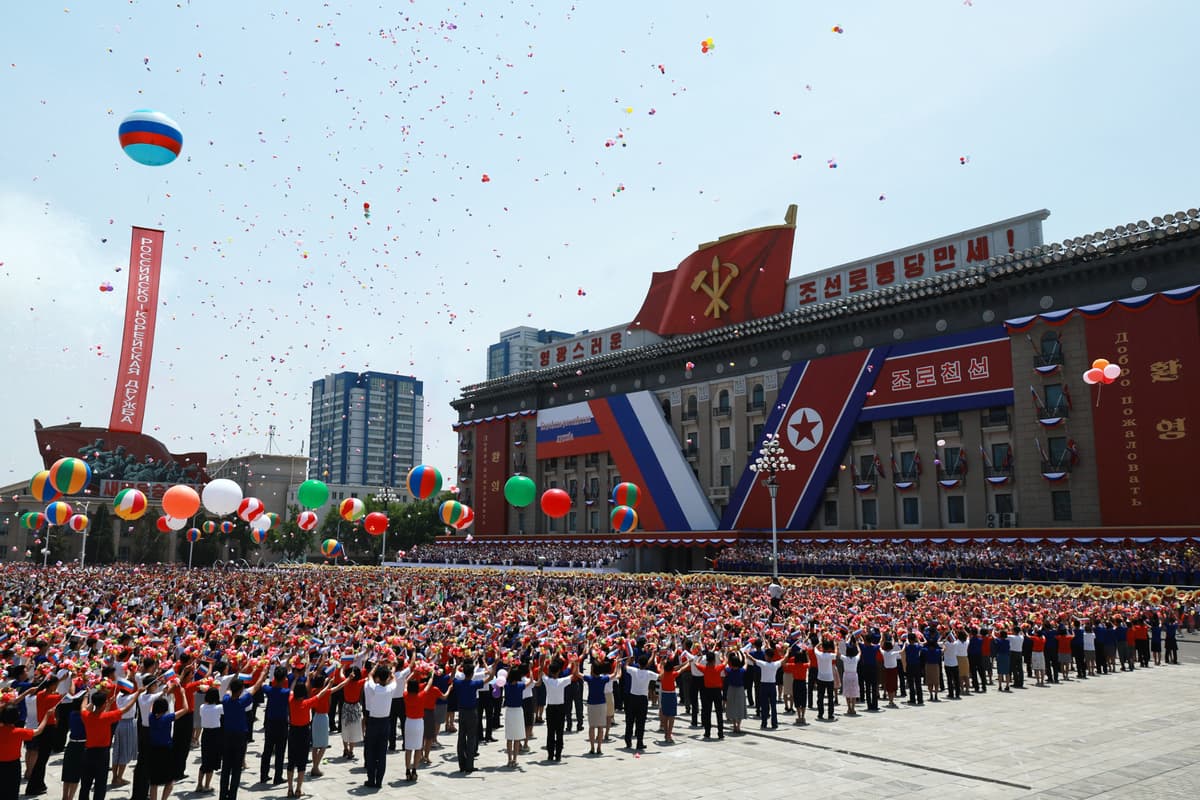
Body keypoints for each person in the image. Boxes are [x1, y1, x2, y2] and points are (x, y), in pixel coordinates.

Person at [82, 685, 144, 800]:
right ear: (104, 703)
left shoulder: (86, 715)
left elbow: (84, 707)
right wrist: (137, 695)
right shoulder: (107, 717)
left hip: (88, 752)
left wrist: (87, 695)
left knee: (85, 782)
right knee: (100, 783)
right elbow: (126, 708)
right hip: (102, 754)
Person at [218, 669, 268, 800]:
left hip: (227, 736)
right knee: (236, 769)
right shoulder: (242, 701)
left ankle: (223, 795)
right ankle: (232, 795)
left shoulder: (226, 700)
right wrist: (262, 675)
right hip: (239, 737)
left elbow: (228, 689)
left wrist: (234, 678)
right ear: (240, 691)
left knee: (226, 768)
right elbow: (255, 688)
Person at [287, 672, 337, 797]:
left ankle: (289, 789)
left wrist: (297, 679)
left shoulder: (291, 700)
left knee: (291, 761)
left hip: (292, 731)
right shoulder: (307, 703)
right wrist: (329, 684)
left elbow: (291, 690)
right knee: (302, 762)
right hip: (303, 732)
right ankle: (298, 789)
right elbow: (320, 695)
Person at [361, 664, 403, 789]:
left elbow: (369, 675)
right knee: (381, 753)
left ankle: (371, 778)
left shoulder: (372, 687)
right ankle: (379, 781)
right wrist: (390, 671)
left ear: (378, 678)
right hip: (385, 722)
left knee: (370, 751)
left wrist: (376, 666)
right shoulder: (390, 688)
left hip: (373, 721)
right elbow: (394, 679)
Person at [147, 681, 191, 800]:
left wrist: (162, 694)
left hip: (153, 750)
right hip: (166, 750)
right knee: (169, 781)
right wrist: (182, 694)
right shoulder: (167, 718)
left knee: (154, 782)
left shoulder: (151, 717)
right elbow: (186, 709)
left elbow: (152, 706)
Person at [2, 701, 51, 800]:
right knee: (12, 791)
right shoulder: (18, 732)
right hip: (13, 766)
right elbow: (38, 730)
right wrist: (47, 716)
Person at [258, 667, 291, 786]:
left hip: (270, 723)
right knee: (280, 751)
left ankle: (263, 775)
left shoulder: (269, 690)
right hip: (282, 724)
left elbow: (261, 684)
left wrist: (264, 673)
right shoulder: (286, 692)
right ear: (284, 679)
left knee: (267, 750)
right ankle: (278, 777)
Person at [622, 654, 657, 750]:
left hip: (632, 698)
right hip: (642, 699)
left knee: (630, 720)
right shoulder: (649, 673)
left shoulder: (634, 670)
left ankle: (628, 740)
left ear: (638, 664)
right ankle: (639, 742)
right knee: (641, 721)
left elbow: (625, 667)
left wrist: (629, 659)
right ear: (646, 664)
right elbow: (660, 677)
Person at [746, 645, 785, 729]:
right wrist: (788, 652)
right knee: (773, 706)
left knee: (764, 705)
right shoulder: (775, 664)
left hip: (764, 686)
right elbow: (784, 659)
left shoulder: (763, 664)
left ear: (766, 656)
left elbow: (753, 659)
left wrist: (747, 654)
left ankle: (764, 723)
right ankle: (774, 723)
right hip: (772, 686)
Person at [581, 659, 613, 755]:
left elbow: (577, 673)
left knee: (591, 727)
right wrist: (618, 665)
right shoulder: (603, 679)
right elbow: (615, 674)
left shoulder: (589, 679)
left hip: (591, 704)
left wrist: (575, 663)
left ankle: (592, 748)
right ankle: (599, 748)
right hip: (601, 704)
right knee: (600, 727)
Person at [194, 687, 222, 794]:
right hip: (215, 735)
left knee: (205, 760)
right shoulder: (219, 707)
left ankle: (199, 784)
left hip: (205, 734)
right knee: (212, 761)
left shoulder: (202, 707)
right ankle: (206, 785)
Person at [814, 639, 839, 720]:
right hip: (829, 678)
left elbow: (815, 648)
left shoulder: (819, 654)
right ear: (828, 648)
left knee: (820, 697)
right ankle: (830, 714)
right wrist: (835, 645)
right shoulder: (830, 655)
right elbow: (836, 653)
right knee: (830, 697)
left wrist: (820, 643)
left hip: (820, 677)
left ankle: (820, 713)